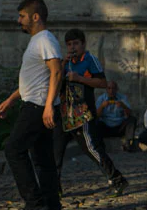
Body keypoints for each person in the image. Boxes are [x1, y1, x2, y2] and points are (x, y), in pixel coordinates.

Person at [0, 0, 63, 210]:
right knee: (43, 159)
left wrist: (47, 108)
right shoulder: (37, 41)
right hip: (34, 103)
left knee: (13, 149)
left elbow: (56, 72)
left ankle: (34, 203)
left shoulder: (45, 39)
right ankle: (52, 208)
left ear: (35, 17)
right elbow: (35, 79)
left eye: (22, 16)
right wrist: (12, 98)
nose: (19, 20)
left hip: (37, 107)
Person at [51, 29, 128, 197]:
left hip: (82, 114)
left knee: (92, 148)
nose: (73, 47)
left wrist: (79, 78)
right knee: (55, 151)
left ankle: (116, 178)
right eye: (69, 44)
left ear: (83, 44)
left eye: (76, 43)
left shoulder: (90, 60)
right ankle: (54, 188)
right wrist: (62, 66)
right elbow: (54, 84)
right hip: (63, 114)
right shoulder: (64, 63)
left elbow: (102, 82)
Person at [94, 81, 138, 152]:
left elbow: (129, 113)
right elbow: (96, 115)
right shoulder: (101, 99)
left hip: (119, 127)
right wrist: (102, 106)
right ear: (106, 89)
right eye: (109, 88)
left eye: (113, 88)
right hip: (106, 127)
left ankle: (128, 143)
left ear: (117, 89)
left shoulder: (122, 98)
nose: (111, 91)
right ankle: (98, 145)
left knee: (132, 119)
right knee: (95, 122)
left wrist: (123, 106)